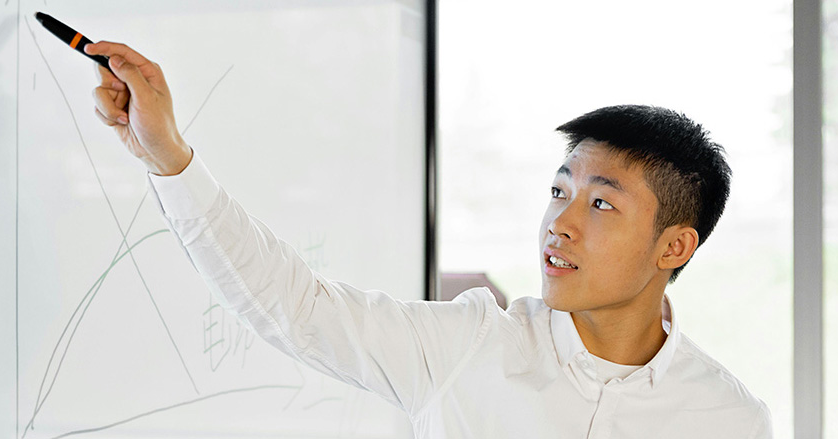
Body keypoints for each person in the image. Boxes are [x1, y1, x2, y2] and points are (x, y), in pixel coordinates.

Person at [83, 41, 772, 438]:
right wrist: (168, 157)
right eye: (559, 191)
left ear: (673, 247)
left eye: (600, 203)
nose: (559, 222)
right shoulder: (470, 345)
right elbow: (294, 307)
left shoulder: (727, 418)